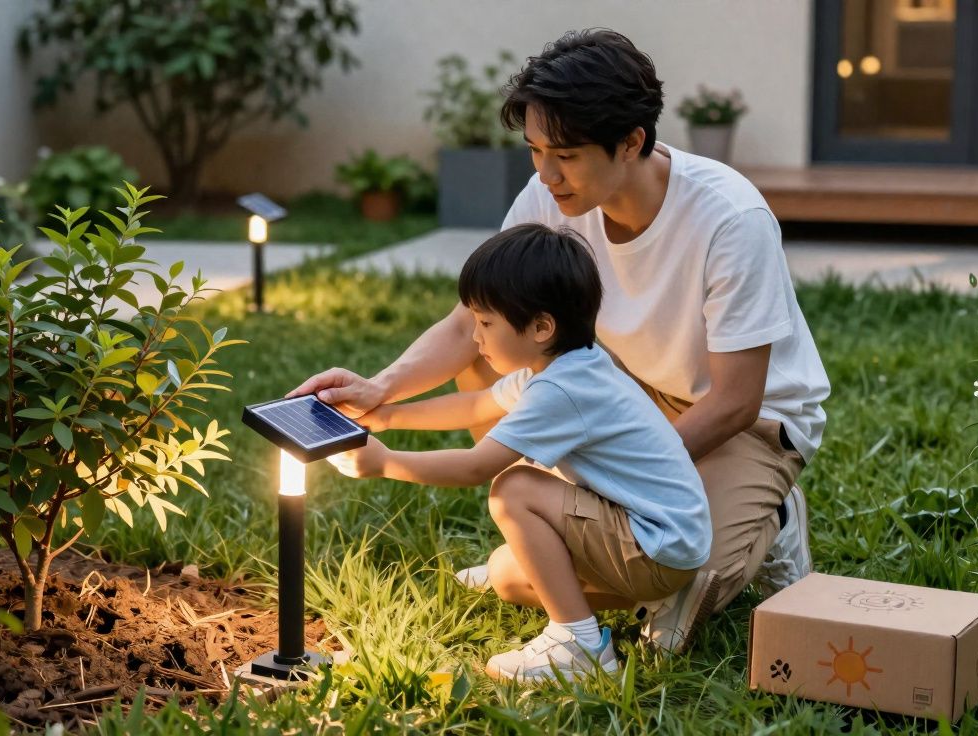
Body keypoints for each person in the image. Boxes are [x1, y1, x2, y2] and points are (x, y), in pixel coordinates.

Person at [293, 28, 829, 652]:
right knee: (516, 576)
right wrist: (381, 388)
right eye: (535, 150)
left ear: (631, 142)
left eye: (566, 155)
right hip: (618, 392)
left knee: (692, 572)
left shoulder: (729, 218)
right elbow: (475, 321)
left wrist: (616, 485)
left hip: (744, 425)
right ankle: (572, 537)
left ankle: (772, 515)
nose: (546, 173)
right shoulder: (553, 194)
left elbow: (737, 399)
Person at [328, 223, 711, 682]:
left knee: (513, 489)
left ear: (541, 326)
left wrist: (384, 462)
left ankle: (581, 647)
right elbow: (474, 404)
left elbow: (476, 467)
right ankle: (659, 599)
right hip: (660, 541)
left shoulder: (563, 389)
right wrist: (386, 415)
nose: (475, 337)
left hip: (656, 546)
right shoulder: (565, 365)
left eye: (486, 323)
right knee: (507, 574)